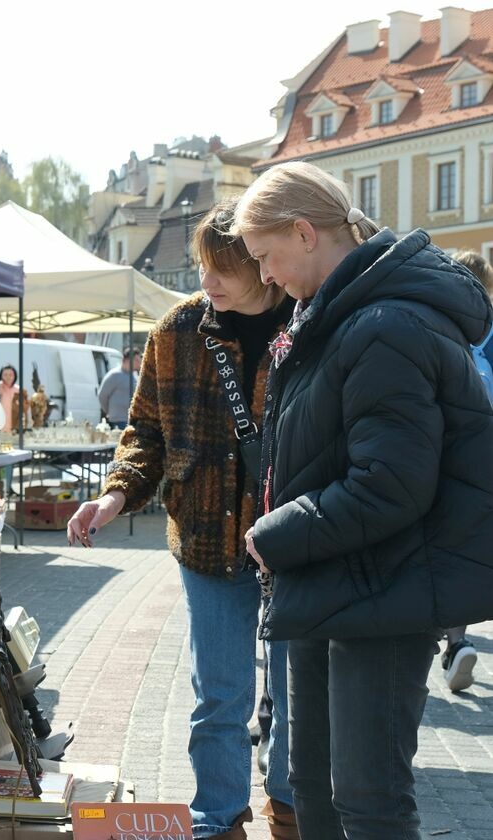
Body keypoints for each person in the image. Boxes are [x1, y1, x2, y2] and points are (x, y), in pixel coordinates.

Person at [236, 161, 493, 840]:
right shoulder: (337, 317)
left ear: (304, 231)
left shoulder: (385, 323)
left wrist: (275, 535)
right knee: (314, 793)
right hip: (337, 582)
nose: (264, 275)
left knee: (368, 801)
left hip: (387, 589)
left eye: (266, 255)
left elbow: (391, 484)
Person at [67, 200, 296, 840]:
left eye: (221, 269)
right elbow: (145, 432)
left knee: (294, 699)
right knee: (219, 697)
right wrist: (114, 497)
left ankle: (288, 810)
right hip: (206, 542)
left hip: (294, 546)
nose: (207, 282)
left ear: (265, 268)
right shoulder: (177, 331)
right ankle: (218, 818)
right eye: (201, 267)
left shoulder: (308, 325)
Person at [443, 249, 492, 693]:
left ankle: (452, 641)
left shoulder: (437, 322)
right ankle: (456, 642)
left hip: (450, 457)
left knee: (447, 551)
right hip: (483, 457)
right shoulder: (489, 332)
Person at [97, 349, 139, 429]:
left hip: (132, 420)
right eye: (136, 360)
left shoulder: (135, 376)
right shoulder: (114, 375)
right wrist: (109, 411)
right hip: (118, 420)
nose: (139, 363)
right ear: (127, 360)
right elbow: (102, 396)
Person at [0, 364, 23, 433]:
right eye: (5, 375)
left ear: (15, 376)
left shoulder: (18, 390)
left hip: (14, 426)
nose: (8, 377)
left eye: (11, 375)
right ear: (1, 376)